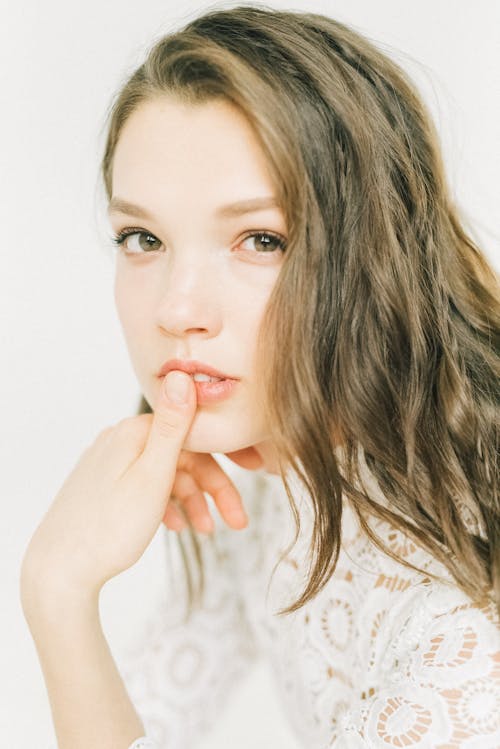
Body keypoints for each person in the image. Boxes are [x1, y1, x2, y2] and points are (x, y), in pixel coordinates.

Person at [19, 5, 500, 749]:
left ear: (376, 257)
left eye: (260, 239)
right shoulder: (263, 470)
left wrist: (57, 594)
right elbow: (161, 700)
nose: (177, 310)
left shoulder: (462, 638)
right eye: (142, 238)